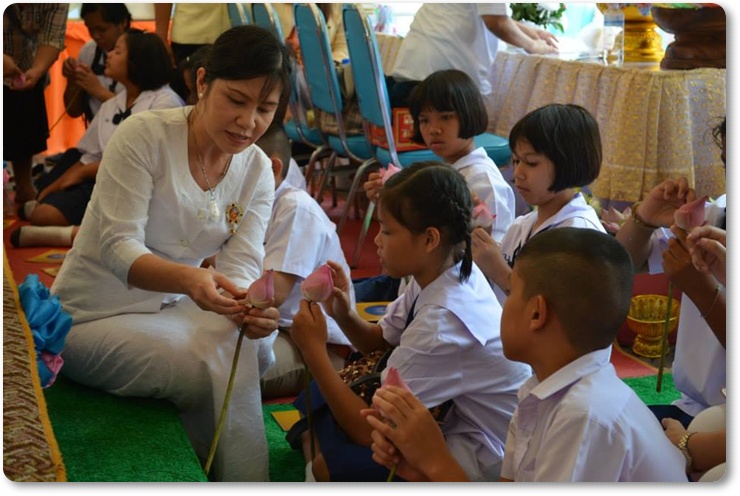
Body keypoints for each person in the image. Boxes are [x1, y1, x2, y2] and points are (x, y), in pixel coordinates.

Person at [50, 25, 293, 482]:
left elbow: (242, 263)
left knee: (254, 345)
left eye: (265, 109)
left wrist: (249, 307)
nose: (248, 123)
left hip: (177, 308)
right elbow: (118, 247)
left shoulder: (258, 168)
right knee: (203, 360)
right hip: (92, 317)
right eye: (236, 100)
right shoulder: (144, 135)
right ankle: (238, 478)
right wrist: (188, 279)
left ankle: (227, 472)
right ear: (202, 81)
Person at [366, 228, 688, 482]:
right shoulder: (540, 391)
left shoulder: (584, 415)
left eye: (512, 293)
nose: (504, 305)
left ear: (536, 314)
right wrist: (421, 468)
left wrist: (437, 460)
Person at [289, 162, 531, 482]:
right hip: (449, 416)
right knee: (319, 402)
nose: (377, 241)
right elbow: (380, 340)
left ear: (430, 239)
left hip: (478, 453)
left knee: (326, 464)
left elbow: (367, 430)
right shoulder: (442, 269)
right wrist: (344, 314)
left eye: (387, 231)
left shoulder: (443, 323)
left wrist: (313, 352)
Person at [11, 30, 184, 248]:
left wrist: (81, 174)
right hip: (100, 175)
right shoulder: (114, 103)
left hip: (136, 185)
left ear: (136, 62)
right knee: (46, 201)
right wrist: (55, 186)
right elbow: (88, 155)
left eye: (117, 52)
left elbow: (144, 163)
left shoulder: (165, 103)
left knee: (45, 215)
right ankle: (48, 215)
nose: (109, 55)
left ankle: (64, 234)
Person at [358, 69, 516, 302]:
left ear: (469, 115)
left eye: (445, 117)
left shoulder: (483, 182)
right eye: (424, 120)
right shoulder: (446, 171)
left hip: (456, 299)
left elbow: (489, 264)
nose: (433, 129)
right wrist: (393, 204)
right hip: (421, 290)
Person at [615, 117, 726, 427]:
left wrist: (702, 290)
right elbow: (622, 264)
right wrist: (645, 218)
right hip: (691, 405)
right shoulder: (718, 213)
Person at [254, 124, 354, 398]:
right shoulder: (254, 202)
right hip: (276, 328)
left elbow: (272, 295)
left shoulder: (296, 207)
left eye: (234, 164)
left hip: (315, 346)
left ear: (273, 168)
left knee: (218, 373)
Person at [471, 103, 605, 305]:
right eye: (516, 161)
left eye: (531, 163)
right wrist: (482, 239)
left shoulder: (580, 235)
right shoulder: (522, 225)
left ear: (567, 163)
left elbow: (555, 311)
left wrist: (500, 272)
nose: (518, 174)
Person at [387, 3, 558, 107]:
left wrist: (532, 33)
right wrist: (533, 46)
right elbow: (496, 22)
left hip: (414, 74)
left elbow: (490, 13)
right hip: (440, 82)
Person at [3, 3, 69, 205]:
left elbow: (52, 38)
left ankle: (24, 188)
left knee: (22, 129)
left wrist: (37, 70)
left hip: (24, 67)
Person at [62, 3, 131, 122]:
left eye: (102, 29)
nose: (95, 36)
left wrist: (98, 91)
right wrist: (72, 82)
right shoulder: (89, 51)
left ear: (123, 22)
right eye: (90, 29)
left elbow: (138, 114)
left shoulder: (143, 53)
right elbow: (73, 111)